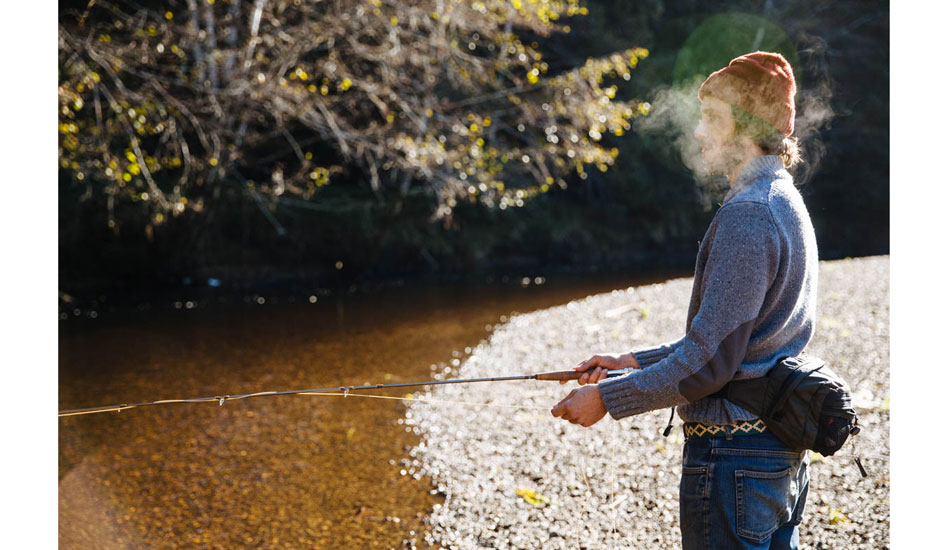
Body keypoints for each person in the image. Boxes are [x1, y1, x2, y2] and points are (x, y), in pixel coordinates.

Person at [551, 51, 817, 550]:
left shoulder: (750, 213)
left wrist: (606, 399)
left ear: (748, 125)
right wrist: (626, 362)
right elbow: (730, 341)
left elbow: (711, 362)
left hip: (735, 459)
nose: (698, 133)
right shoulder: (783, 198)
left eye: (712, 118)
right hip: (774, 455)